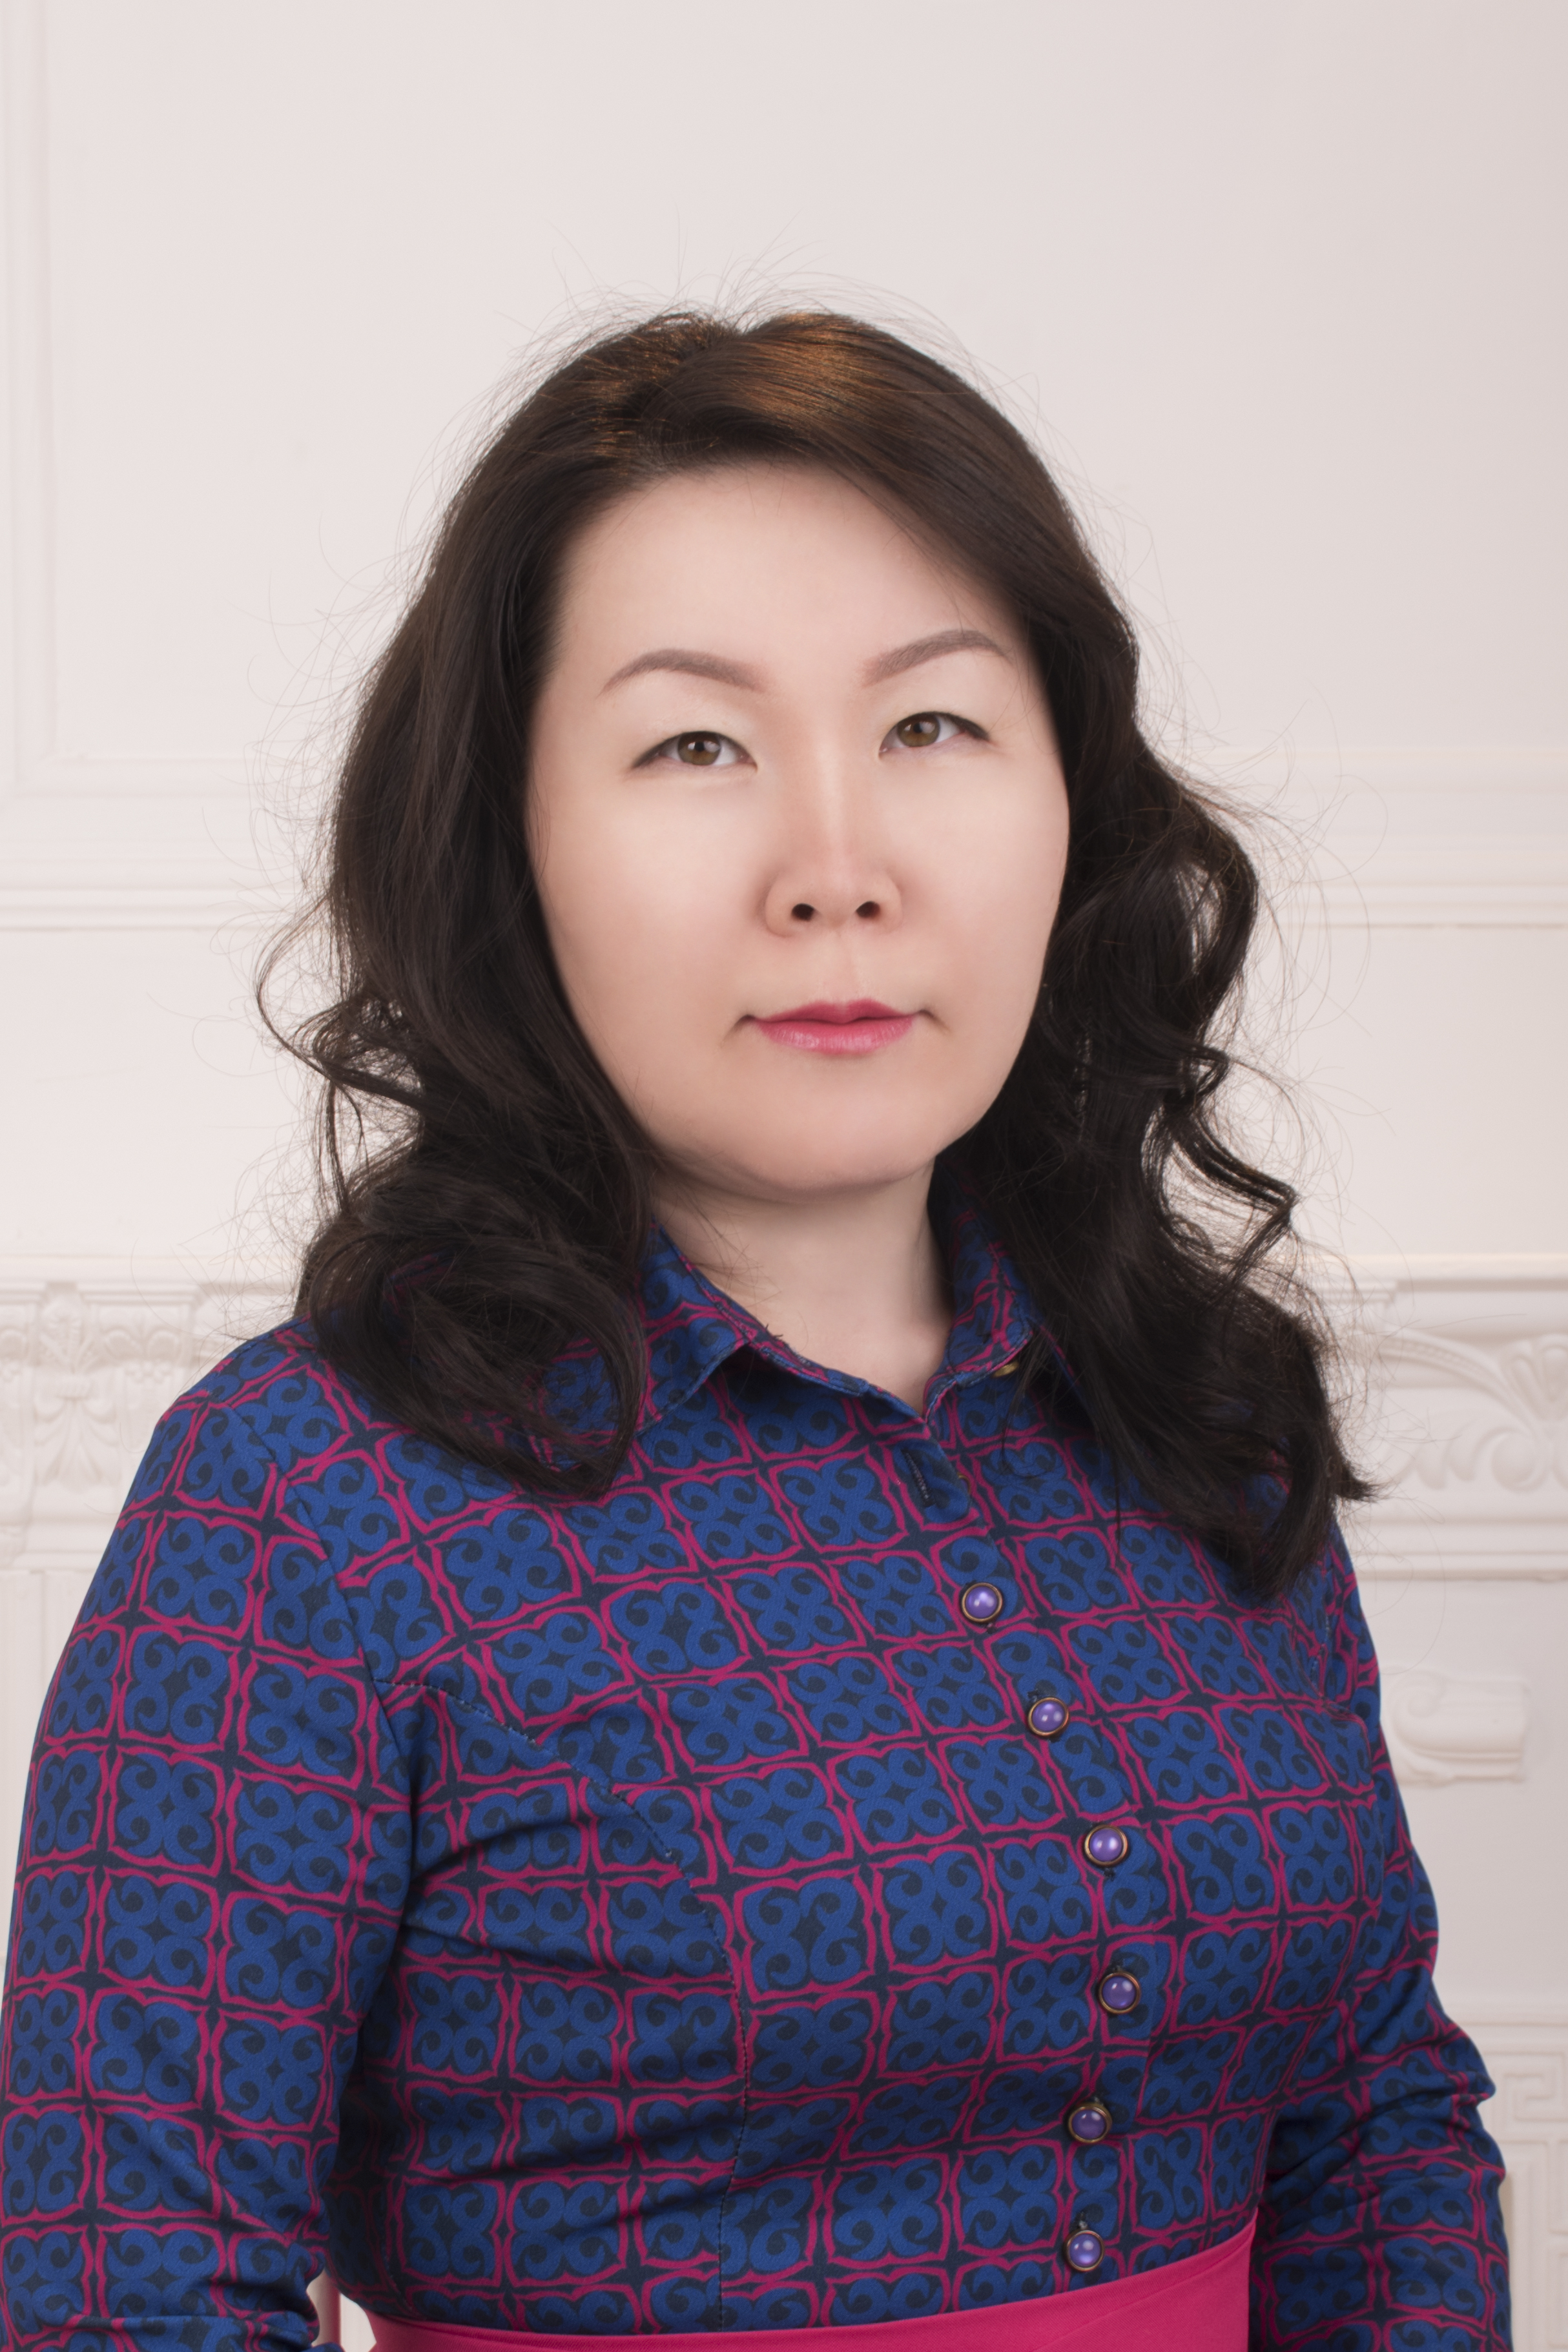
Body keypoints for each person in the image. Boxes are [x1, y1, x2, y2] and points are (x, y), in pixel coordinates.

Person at [0, 311, 1509, 2351]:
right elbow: (121, 2282)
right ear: (510, 843)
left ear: (1073, 802)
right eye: (693, 746)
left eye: (933, 726)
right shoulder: (304, 1503)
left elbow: (1376, 2124)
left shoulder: (1203, 1411)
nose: (837, 869)